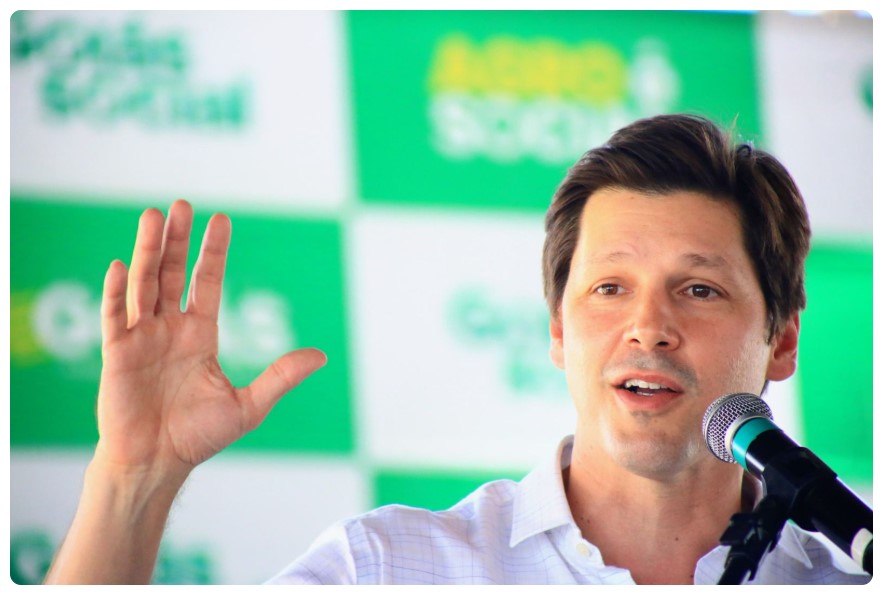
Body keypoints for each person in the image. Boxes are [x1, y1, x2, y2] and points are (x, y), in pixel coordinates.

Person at [43, 114, 870, 585]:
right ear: (557, 330)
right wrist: (135, 479)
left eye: (699, 290)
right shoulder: (391, 569)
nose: (648, 327)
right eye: (609, 287)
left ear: (782, 339)